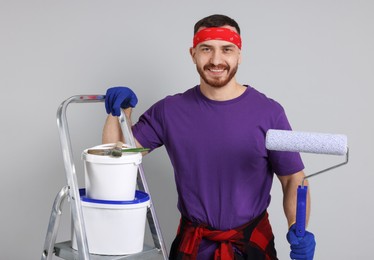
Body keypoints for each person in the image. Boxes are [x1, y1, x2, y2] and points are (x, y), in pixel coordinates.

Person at [103, 14, 316, 260]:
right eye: (206, 49)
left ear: (239, 54)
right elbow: (116, 157)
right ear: (193, 53)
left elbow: (293, 179)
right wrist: (118, 112)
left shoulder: (269, 113)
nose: (216, 60)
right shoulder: (170, 111)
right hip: (193, 246)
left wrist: (296, 227)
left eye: (227, 49)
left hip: (250, 246)